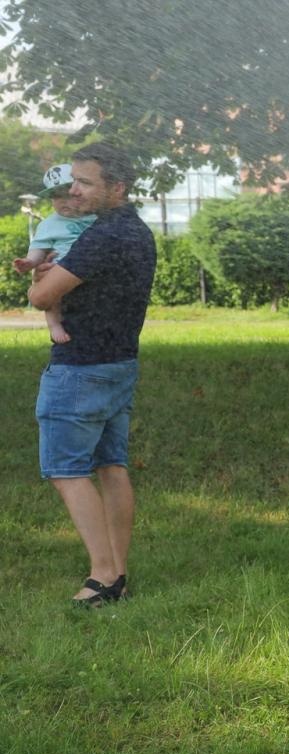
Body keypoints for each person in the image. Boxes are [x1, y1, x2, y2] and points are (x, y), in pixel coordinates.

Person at [28, 143, 156, 607]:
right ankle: (117, 572)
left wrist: (40, 279)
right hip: (118, 365)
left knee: (66, 471)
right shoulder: (135, 230)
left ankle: (103, 577)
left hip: (81, 368)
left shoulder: (100, 236)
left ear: (116, 188)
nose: (73, 190)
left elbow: (43, 299)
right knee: (110, 466)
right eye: (72, 181)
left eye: (85, 183)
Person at [13, 164, 97, 345]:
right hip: (58, 268)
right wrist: (29, 262)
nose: (62, 201)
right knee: (51, 295)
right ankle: (54, 325)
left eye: (67, 195)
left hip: (86, 275)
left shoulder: (96, 217)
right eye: (55, 196)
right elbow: (39, 248)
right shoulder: (49, 224)